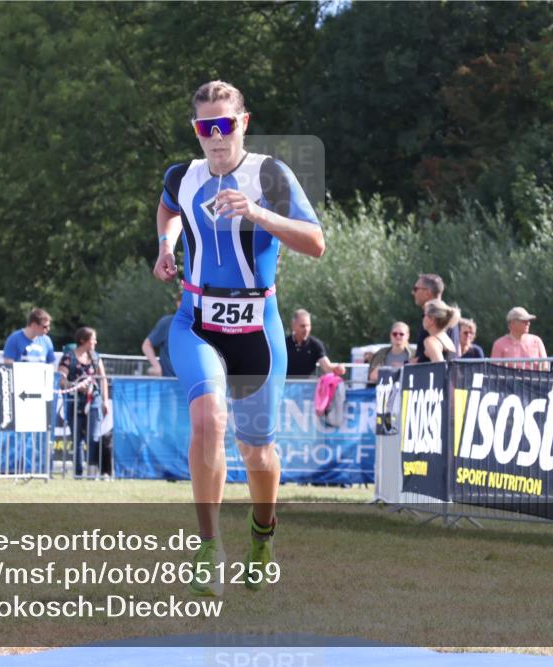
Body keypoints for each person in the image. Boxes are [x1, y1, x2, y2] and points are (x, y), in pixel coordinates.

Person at [152, 80, 325, 596]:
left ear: (242, 123)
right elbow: (169, 210)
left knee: (257, 453)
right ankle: (209, 547)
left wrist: (256, 212)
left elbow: (316, 243)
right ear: (196, 130)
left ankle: (262, 532)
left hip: (257, 327)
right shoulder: (182, 176)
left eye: (225, 125)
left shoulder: (269, 174)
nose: (216, 137)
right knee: (207, 418)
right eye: (206, 128)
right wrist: (165, 245)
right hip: (196, 321)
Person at [58, 327, 109, 478]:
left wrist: (105, 401)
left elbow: (103, 379)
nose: (95, 342)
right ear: (83, 340)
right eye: (93, 339)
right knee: (77, 438)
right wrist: (75, 386)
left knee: (93, 437)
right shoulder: (68, 358)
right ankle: (78, 473)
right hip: (74, 401)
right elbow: (61, 380)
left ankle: (92, 472)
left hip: (93, 400)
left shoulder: (95, 357)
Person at [411, 273, 459, 363]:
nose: (413, 293)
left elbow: (439, 367)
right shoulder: (448, 319)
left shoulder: (431, 338)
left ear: (427, 293)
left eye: (415, 289)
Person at [285, 309, 345, 378]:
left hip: (308, 387)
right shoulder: (284, 344)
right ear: (293, 326)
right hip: (286, 386)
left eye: (308, 325)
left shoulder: (315, 344)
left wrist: (337, 368)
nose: (306, 329)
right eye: (302, 326)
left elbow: (327, 367)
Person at [142, 296, 179, 377]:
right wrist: (156, 366)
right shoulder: (167, 323)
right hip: (168, 383)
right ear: (178, 303)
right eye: (181, 300)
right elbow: (146, 345)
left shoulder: (199, 326)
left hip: (192, 385)